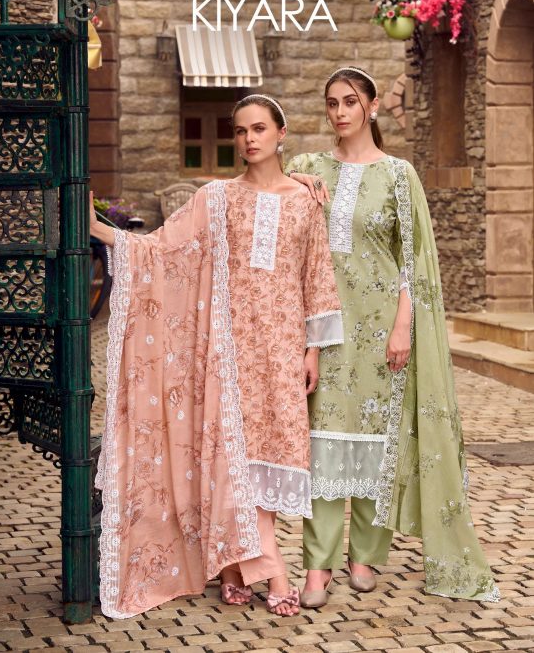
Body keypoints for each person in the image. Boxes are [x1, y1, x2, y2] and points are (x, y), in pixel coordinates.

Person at [91, 94, 344, 619]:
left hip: (280, 347)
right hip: (226, 348)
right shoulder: (217, 198)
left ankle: (233, 566)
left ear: (281, 133)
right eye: (241, 130)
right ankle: (272, 570)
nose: (249, 139)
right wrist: (96, 228)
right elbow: (161, 248)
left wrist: (312, 349)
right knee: (233, 454)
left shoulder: (305, 201)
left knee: (273, 452)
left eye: (259, 128)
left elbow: (317, 274)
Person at [285, 66, 499, 608]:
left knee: (376, 442)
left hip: (382, 327)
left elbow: (413, 260)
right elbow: (276, 213)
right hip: (325, 326)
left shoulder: (399, 176)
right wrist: (293, 187)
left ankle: (365, 556)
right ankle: (317, 565)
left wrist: (403, 324)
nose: (339, 112)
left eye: (349, 101)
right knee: (324, 443)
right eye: (332, 102)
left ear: (372, 106)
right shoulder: (308, 168)